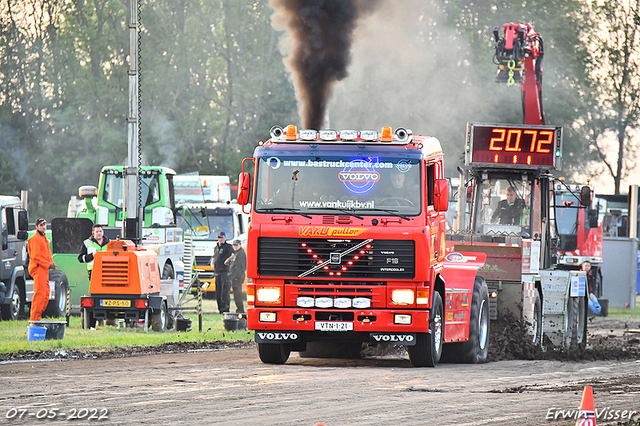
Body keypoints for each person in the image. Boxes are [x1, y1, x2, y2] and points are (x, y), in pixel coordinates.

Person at [28, 218, 57, 322]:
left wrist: (51, 262)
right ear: (36, 227)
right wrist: (49, 264)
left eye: (45, 225)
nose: (43, 227)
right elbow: (36, 257)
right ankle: (34, 320)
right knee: (39, 295)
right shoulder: (35, 239)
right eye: (41, 225)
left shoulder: (44, 238)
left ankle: (38, 318)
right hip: (39, 268)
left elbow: (47, 254)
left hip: (44, 269)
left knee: (46, 294)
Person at [210, 231, 234, 314]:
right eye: (219, 237)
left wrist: (228, 259)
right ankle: (220, 309)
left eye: (221, 237)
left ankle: (225, 309)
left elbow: (234, 254)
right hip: (217, 272)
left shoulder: (228, 247)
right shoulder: (216, 247)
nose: (220, 239)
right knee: (218, 292)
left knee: (225, 291)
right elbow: (214, 256)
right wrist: (212, 263)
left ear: (225, 237)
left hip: (225, 272)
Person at [225, 239, 247, 313]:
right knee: (236, 294)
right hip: (234, 276)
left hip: (237, 277)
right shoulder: (236, 253)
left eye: (237, 245)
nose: (235, 247)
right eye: (234, 245)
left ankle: (240, 309)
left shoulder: (241, 253)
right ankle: (239, 309)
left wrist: (236, 277)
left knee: (238, 294)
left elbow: (240, 267)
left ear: (240, 245)